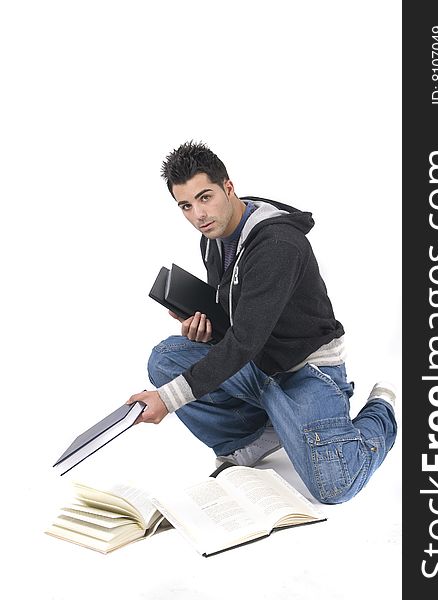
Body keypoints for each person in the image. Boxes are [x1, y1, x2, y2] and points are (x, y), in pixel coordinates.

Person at [127, 141, 397, 504]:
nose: (198, 215)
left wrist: (169, 399)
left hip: (304, 370)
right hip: (259, 363)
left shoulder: (277, 245)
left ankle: (383, 409)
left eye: (205, 198)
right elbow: (242, 321)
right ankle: (259, 434)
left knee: (335, 486)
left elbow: (245, 340)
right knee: (166, 360)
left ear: (228, 187)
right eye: (186, 206)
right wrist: (202, 323)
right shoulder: (214, 238)